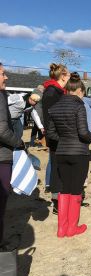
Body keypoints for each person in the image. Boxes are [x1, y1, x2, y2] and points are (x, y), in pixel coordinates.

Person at [47, 73, 91, 238]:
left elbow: (51, 133)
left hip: (61, 152)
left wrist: (65, 139)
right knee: (76, 190)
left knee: (63, 189)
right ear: (80, 90)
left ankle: (62, 229)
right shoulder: (79, 106)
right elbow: (83, 131)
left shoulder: (56, 106)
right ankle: (72, 227)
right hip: (79, 152)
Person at [0, 63, 25, 245]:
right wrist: (19, 142)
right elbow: (2, 130)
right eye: (2, 74)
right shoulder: (0, 96)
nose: (6, 77)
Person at [42, 63, 70, 213]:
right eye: (68, 74)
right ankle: (56, 203)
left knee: (62, 169)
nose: (70, 77)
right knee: (57, 169)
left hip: (63, 137)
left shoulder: (60, 92)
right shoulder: (52, 93)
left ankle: (62, 199)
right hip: (57, 138)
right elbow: (50, 120)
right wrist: (58, 137)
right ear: (63, 76)